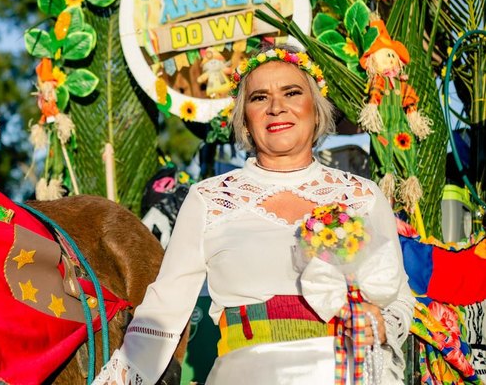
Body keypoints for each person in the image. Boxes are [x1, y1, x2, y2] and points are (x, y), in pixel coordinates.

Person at [92, 45, 415, 384]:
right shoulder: (209, 198)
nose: (276, 107)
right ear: (244, 119)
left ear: (316, 110)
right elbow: (164, 310)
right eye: (259, 98)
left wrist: (381, 322)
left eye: (292, 92)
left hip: (349, 372)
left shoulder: (362, 195)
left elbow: (399, 299)